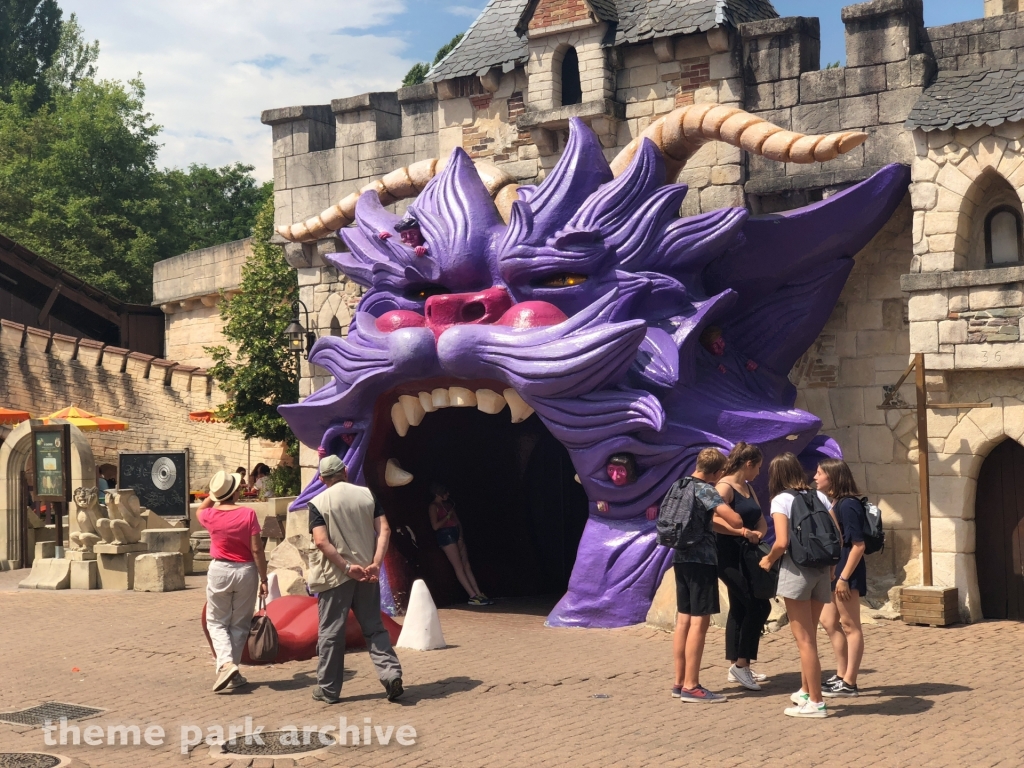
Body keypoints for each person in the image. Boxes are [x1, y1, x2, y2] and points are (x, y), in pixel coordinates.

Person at [307, 455, 403, 704]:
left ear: (321, 478)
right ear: (345, 472)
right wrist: (376, 563)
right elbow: (384, 530)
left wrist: (346, 567)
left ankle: (328, 689)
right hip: (367, 574)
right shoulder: (367, 495)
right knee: (374, 628)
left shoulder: (317, 502)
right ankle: (391, 674)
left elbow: (320, 541)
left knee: (331, 633)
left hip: (335, 577)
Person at [759, 452, 839, 718]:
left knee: (804, 640)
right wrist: (831, 569)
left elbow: (781, 542)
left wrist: (768, 561)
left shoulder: (781, 500)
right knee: (811, 637)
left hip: (797, 569)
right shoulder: (820, 496)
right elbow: (836, 534)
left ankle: (815, 703)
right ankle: (806, 691)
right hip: (821, 569)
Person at [672, 447, 745, 703]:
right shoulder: (706, 489)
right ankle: (692, 686)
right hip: (702, 561)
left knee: (683, 620)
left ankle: (679, 681)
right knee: (699, 623)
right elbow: (734, 520)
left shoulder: (679, 485)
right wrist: (734, 514)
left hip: (680, 558)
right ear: (715, 472)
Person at [198, 470, 268, 693]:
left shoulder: (209, 515)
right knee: (240, 623)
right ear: (236, 491)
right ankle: (232, 668)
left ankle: (226, 665)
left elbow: (201, 508)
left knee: (217, 621)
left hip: (220, 569)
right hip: (246, 570)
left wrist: (213, 494)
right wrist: (264, 578)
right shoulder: (248, 514)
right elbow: (257, 549)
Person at [714, 442, 771, 692]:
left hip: (749, 554)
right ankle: (741, 665)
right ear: (748, 464)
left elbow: (760, 518)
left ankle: (737, 664)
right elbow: (712, 518)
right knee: (757, 604)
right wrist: (739, 531)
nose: (758, 472)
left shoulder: (748, 488)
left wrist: (759, 532)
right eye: (757, 467)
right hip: (727, 555)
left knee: (740, 607)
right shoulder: (724, 487)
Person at [815, 458, 867, 698]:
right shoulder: (836, 502)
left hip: (848, 571)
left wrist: (844, 577)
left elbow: (858, 545)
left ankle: (850, 682)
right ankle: (841, 673)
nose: (815, 477)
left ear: (832, 477)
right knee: (828, 620)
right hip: (837, 571)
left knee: (850, 625)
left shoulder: (848, 505)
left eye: (819, 473)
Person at [428, 482, 491, 606]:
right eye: (445, 492)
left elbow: (457, 521)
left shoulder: (448, 505)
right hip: (446, 535)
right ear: (438, 493)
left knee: (466, 565)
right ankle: (472, 595)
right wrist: (447, 517)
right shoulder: (433, 506)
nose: (448, 494)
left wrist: (461, 536)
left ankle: (478, 593)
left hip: (456, 533)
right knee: (459, 567)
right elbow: (435, 526)